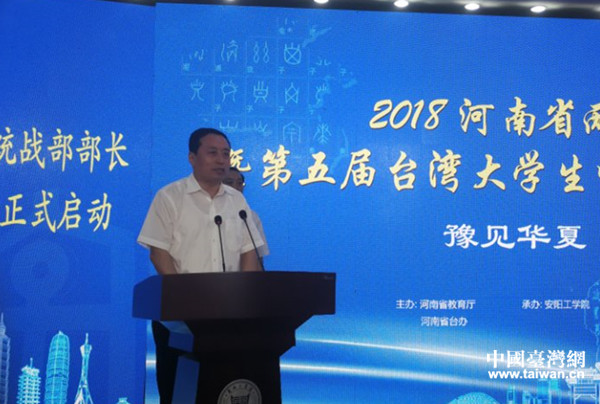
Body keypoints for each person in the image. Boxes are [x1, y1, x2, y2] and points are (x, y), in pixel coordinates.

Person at [137, 127, 263, 403]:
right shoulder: (169, 197)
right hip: (178, 320)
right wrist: (185, 301)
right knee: (180, 394)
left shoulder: (237, 200)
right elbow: (158, 253)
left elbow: (248, 253)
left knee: (221, 389)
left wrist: (246, 300)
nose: (221, 160)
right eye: (213, 153)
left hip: (227, 319)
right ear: (192, 158)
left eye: (226, 154)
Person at [223, 166, 270, 263]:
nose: (235, 187)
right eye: (229, 183)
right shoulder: (208, 213)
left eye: (239, 183)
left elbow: (259, 255)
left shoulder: (250, 216)